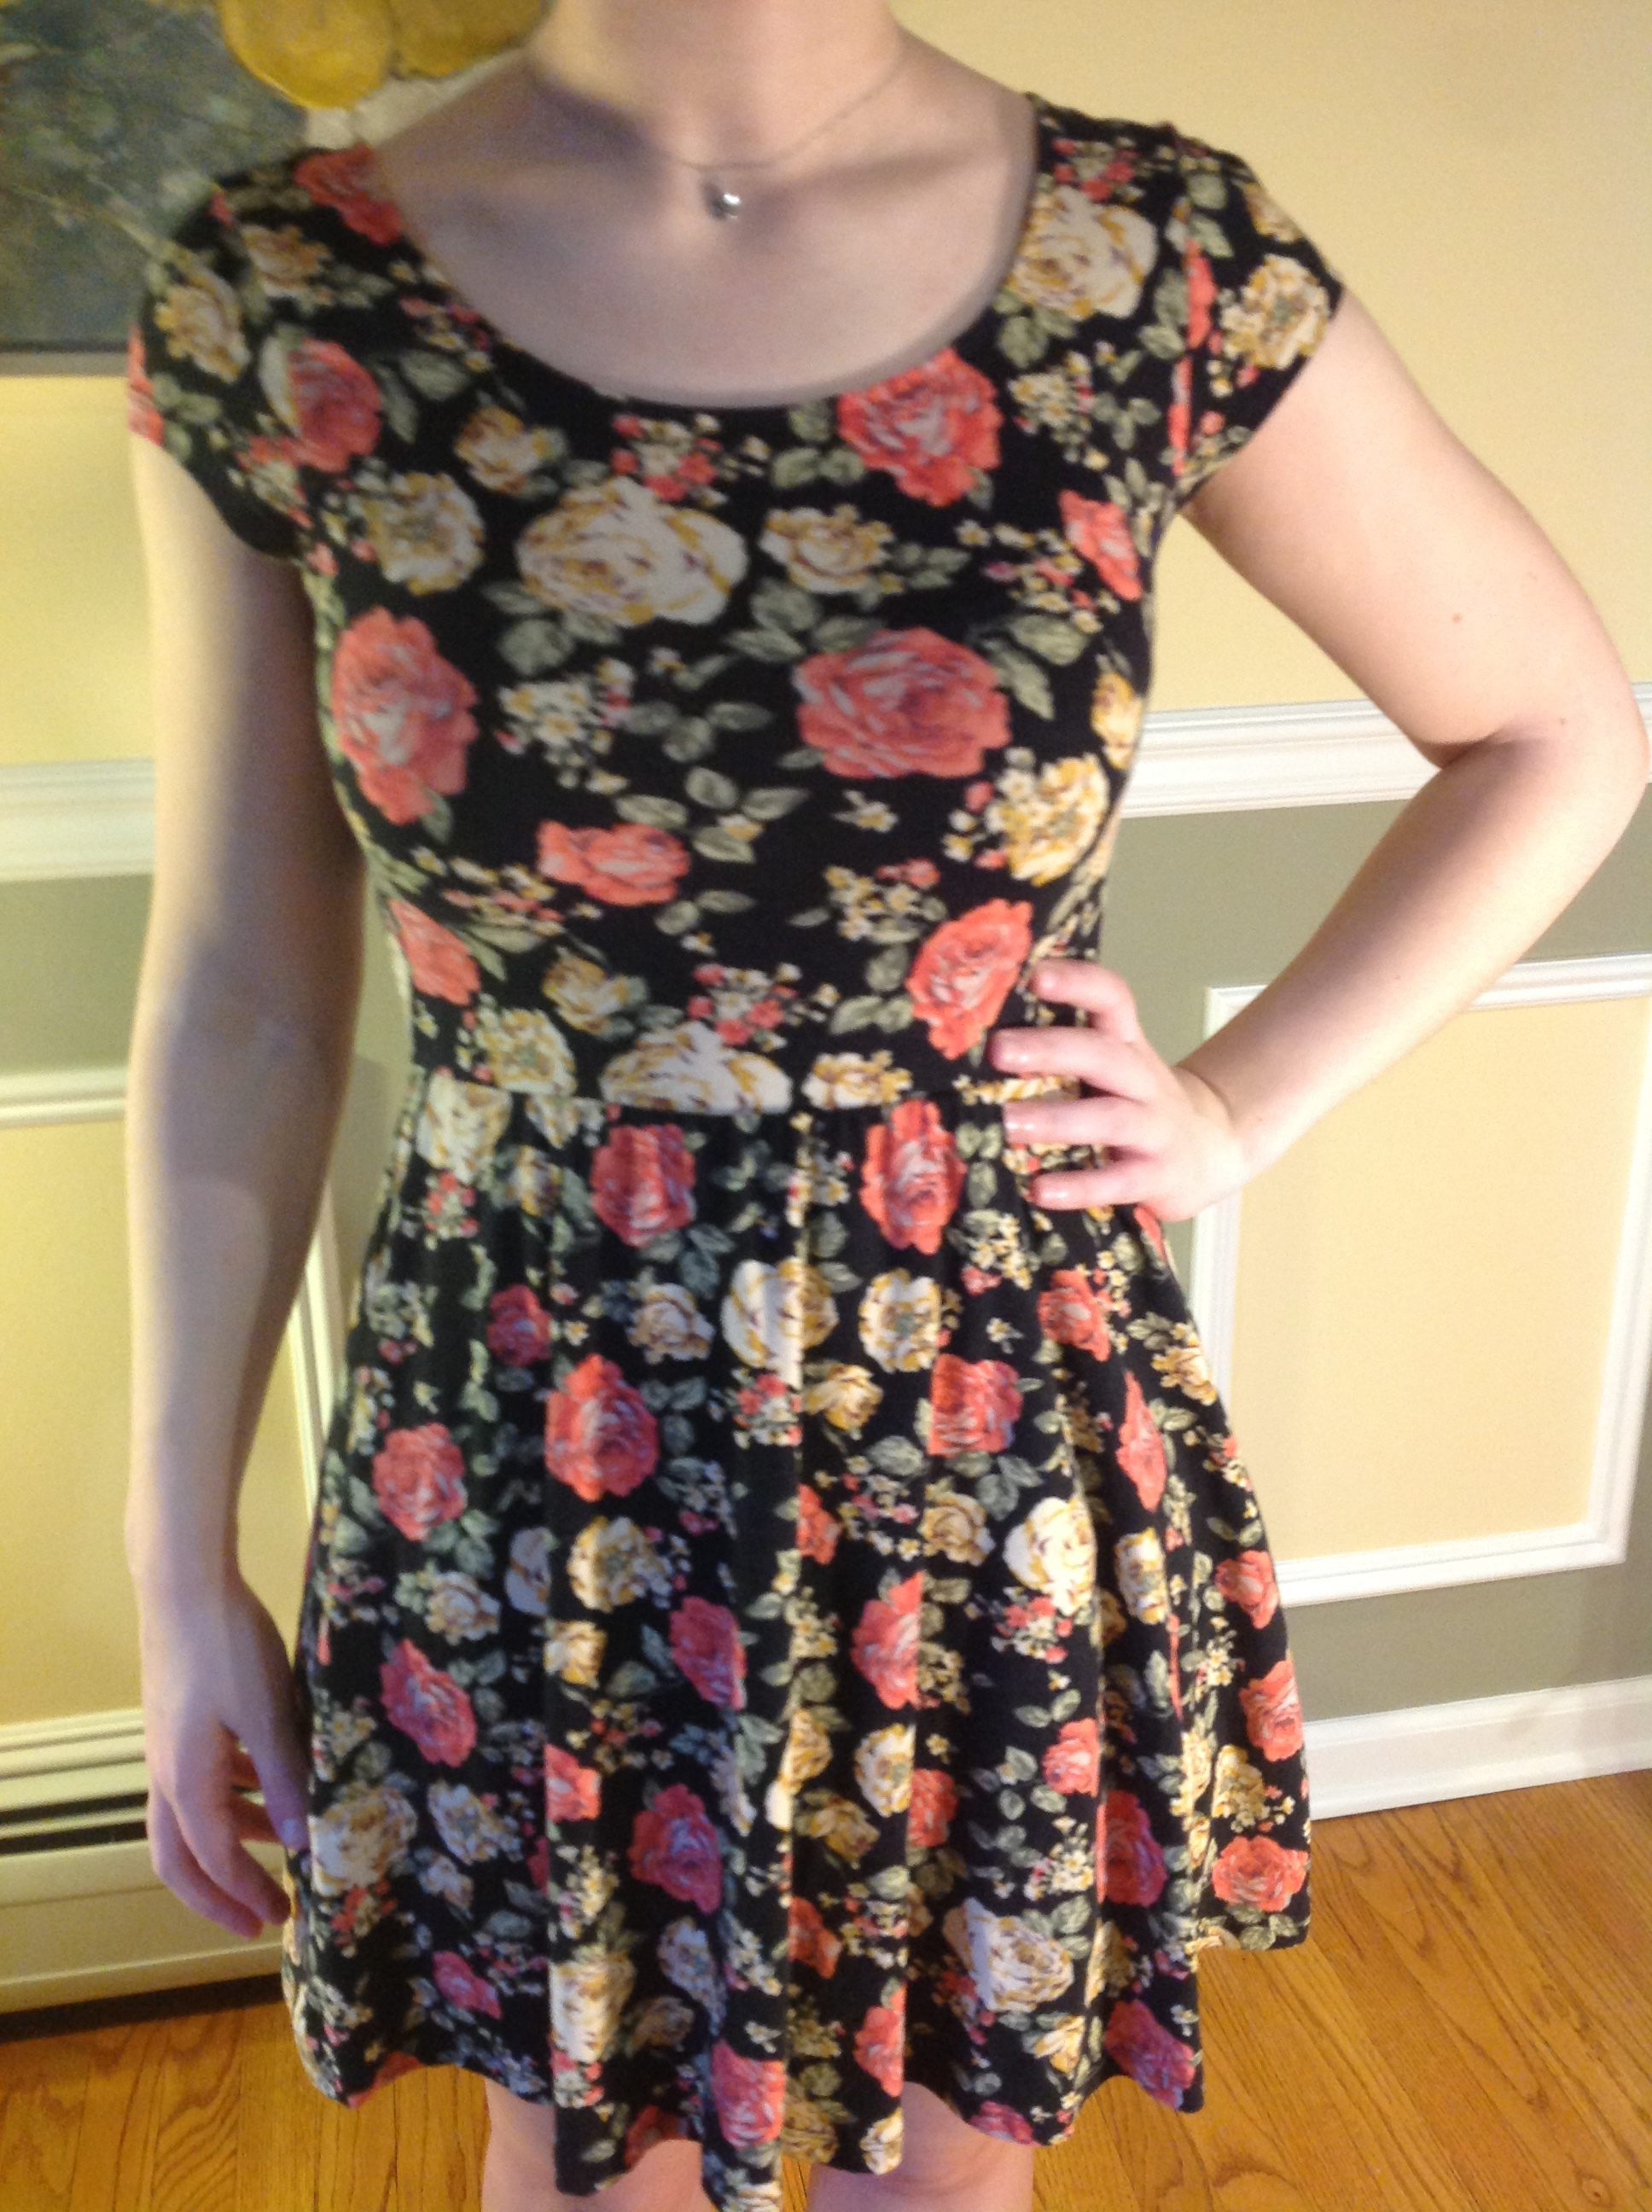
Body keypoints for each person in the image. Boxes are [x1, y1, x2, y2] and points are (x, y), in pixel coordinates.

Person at [120, 4, 1647, 2210]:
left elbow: (1554, 730)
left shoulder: (1152, 256)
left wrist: (1240, 1105)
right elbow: (246, 993)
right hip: (540, 1448)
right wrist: (176, 1557)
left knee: (933, 2155)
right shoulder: (282, 291)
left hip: (980, 1416)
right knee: (586, 2148)